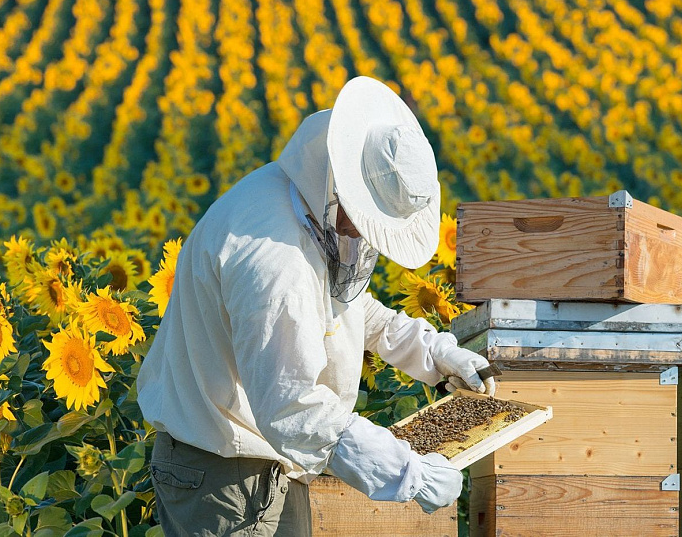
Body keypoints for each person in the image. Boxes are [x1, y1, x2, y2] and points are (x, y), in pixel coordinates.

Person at [136, 76, 496, 536]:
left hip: (261, 463)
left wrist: (433, 353)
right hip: (224, 479)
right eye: (370, 221)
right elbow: (293, 406)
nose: (367, 236)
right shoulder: (275, 259)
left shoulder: (299, 200)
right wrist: (406, 472)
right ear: (346, 186)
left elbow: (347, 310)